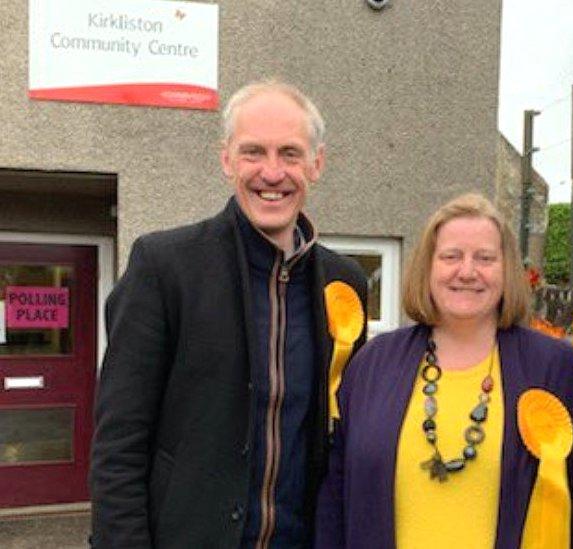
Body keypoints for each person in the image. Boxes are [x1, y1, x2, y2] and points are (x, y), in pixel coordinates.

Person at [89, 80, 368, 548]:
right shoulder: (165, 267)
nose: (272, 172)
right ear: (226, 160)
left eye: (291, 154)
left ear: (317, 164)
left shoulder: (344, 285)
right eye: (253, 152)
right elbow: (119, 445)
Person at [315, 193, 573, 548]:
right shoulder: (372, 367)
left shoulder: (562, 373)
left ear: (507, 270)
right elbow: (334, 499)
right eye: (451, 256)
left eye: (485, 258)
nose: (467, 271)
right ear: (427, 267)